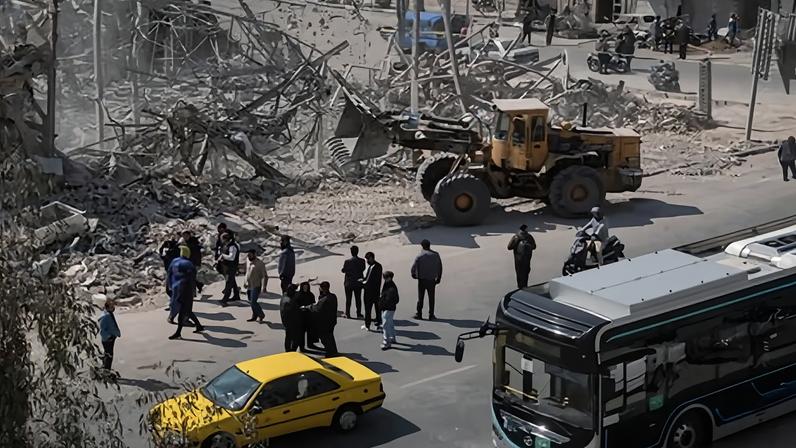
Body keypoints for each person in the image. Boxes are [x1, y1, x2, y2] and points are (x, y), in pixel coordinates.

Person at [169, 246, 205, 339]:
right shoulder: (189, 264)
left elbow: (169, 274)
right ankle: (195, 327)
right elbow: (192, 278)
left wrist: (169, 286)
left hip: (175, 288)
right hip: (186, 289)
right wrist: (195, 289)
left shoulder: (174, 261)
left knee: (184, 310)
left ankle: (179, 331)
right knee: (185, 310)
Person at [411, 239, 442, 320]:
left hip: (422, 280)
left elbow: (413, 267)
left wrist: (413, 274)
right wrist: (439, 277)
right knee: (431, 298)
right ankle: (431, 314)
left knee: (420, 298)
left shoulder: (420, 256)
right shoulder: (436, 255)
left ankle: (419, 314)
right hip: (432, 280)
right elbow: (440, 267)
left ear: (422, 246)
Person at [305, 281, 338, 357]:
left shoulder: (324, 300)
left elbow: (316, 308)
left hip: (324, 323)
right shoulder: (333, 296)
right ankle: (334, 351)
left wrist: (307, 307)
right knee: (330, 336)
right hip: (332, 321)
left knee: (325, 338)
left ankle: (330, 353)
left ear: (322, 289)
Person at [507, 224, 536, 288]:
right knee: (526, 272)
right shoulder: (529, 236)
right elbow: (534, 246)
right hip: (527, 258)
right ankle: (525, 286)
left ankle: (519, 287)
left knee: (519, 272)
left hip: (518, 258)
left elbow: (509, 247)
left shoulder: (516, 236)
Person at [341, 245, 366, 319]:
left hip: (349, 283)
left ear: (351, 252)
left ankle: (347, 313)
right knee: (358, 299)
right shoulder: (362, 261)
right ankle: (359, 313)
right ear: (357, 251)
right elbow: (363, 269)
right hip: (358, 282)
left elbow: (343, 270)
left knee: (348, 299)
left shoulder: (347, 261)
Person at [216, 232, 241, 306]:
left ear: (225, 239)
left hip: (231, 266)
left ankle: (225, 300)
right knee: (232, 281)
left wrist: (223, 256)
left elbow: (232, 257)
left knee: (229, 282)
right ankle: (236, 295)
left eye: (222, 239)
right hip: (226, 266)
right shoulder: (225, 245)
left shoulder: (232, 246)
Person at [361, 251, 383, 331]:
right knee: (377, 309)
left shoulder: (373, 267)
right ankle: (378, 323)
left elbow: (369, 280)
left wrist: (362, 284)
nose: (367, 261)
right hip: (376, 291)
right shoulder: (377, 266)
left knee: (368, 309)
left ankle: (368, 325)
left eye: (368, 259)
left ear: (371, 258)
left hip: (369, 291)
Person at [244, 249, 268, 322]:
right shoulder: (248, 261)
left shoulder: (260, 263)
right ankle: (255, 315)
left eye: (250, 255)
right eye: (248, 255)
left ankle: (261, 314)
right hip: (249, 285)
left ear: (254, 254)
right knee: (250, 301)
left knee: (253, 302)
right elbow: (247, 273)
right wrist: (244, 282)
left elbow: (265, 276)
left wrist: (264, 287)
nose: (249, 256)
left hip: (256, 285)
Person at [98, 298, 121, 371]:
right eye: (112, 306)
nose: (113, 307)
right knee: (109, 355)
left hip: (110, 337)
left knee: (108, 355)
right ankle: (106, 371)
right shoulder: (106, 316)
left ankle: (106, 369)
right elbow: (102, 329)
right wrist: (109, 336)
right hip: (108, 339)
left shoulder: (108, 314)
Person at [379, 271, 400, 350]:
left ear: (389, 278)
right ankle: (392, 337)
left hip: (388, 308)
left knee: (385, 324)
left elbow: (394, 299)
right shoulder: (389, 284)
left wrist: (383, 304)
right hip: (390, 308)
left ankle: (386, 342)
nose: (384, 279)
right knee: (390, 323)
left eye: (385, 277)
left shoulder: (391, 288)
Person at [280, 284, 302, 351]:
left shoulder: (285, 296)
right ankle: (291, 350)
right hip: (290, 320)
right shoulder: (287, 299)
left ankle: (290, 350)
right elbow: (289, 307)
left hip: (287, 320)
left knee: (289, 337)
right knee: (294, 337)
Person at [296, 281, 316, 350]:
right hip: (301, 316)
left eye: (306, 287)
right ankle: (302, 347)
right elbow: (296, 305)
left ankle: (310, 344)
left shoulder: (310, 295)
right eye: (304, 287)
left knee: (310, 331)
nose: (305, 288)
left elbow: (313, 304)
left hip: (309, 315)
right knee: (301, 332)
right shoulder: (298, 295)